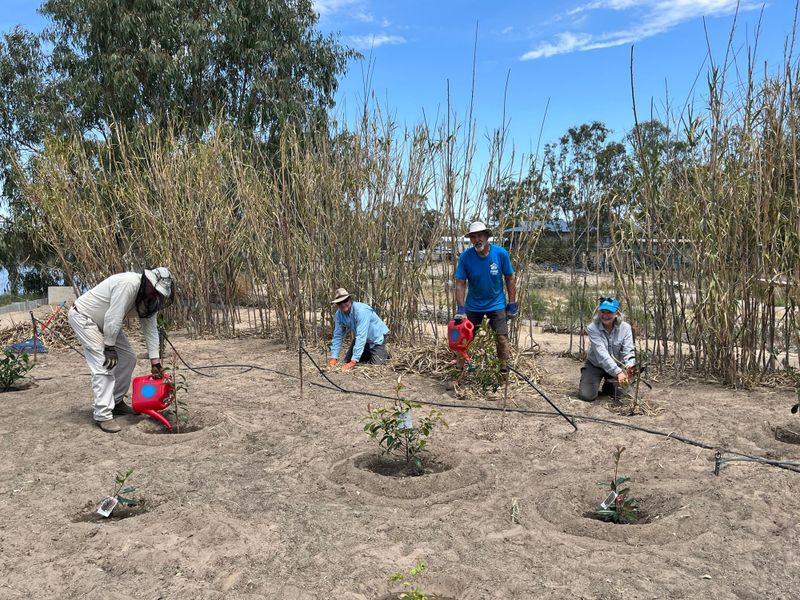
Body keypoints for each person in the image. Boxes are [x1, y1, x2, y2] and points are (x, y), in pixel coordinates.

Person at [68, 267, 174, 433]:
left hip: (106, 323)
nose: (155, 295)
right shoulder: (128, 284)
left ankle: (116, 402)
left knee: (128, 358)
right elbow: (114, 316)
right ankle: (102, 415)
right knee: (104, 365)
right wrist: (109, 347)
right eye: (154, 291)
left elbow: (151, 329)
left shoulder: (149, 299)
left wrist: (156, 362)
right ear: (148, 282)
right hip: (85, 317)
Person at [454, 221, 517, 371]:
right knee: (463, 339)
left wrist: (512, 303)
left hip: (496, 303)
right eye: (473, 237)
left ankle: (503, 372)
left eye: (480, 235)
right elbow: (460, 283)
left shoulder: (500, 254)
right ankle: (457, 373)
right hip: (473, 305)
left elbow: (510, 278)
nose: (477, 240)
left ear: (487, 236)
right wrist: (461, 309)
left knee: (501, 339)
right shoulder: (465, 257)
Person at [579, 297, 636, 402]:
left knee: (626, 397)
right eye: (602, 312)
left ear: (616, 313)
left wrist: (630, 365)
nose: (605, 316)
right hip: (596, 365)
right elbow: (602, 355)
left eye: (609, 312)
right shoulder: (592, 328)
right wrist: (618, 373)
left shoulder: (626, 328)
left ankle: (609, 386)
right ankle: (588, 377)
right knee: (586, 396)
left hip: (617, 366)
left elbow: (629, 350)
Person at [328, 287, 390, 369]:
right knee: (347, 361)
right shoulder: (339, 314)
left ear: (350, 299)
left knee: (376, 365)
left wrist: (354, 360)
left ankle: (385, 354)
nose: (343, 304)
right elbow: (338, 335)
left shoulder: (361, 311)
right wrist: (334, 357)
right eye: (339, 303)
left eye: (345, 301)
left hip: (377, 338)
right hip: (364, 339)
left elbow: (361, 335)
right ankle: (367, 353)